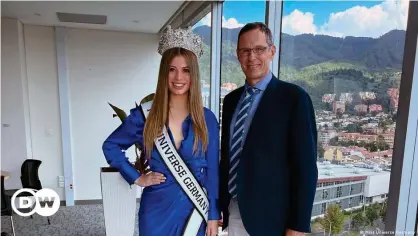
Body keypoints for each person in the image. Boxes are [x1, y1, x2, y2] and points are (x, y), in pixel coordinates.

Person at [102, 26, 220, 236]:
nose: (178, 77)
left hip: (194, 211)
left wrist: (212, 214)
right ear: (163, 73)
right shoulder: (144, 116)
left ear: (194, 75)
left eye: (186, 70)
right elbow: (111, 145)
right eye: (171, 69)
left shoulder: (207, 119)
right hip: (155, 210)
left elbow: (212, 171)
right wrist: (137, 178)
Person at [219, 22, 318, 235]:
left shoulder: (294, 98)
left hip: (273, 220)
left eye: (259, 49)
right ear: (237, 55)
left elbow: (306, 169)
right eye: (245, 50)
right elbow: (227, 157)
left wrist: (298, 226)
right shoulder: (230, 101)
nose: (251, 56)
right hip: (234, 212)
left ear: (272, 52)